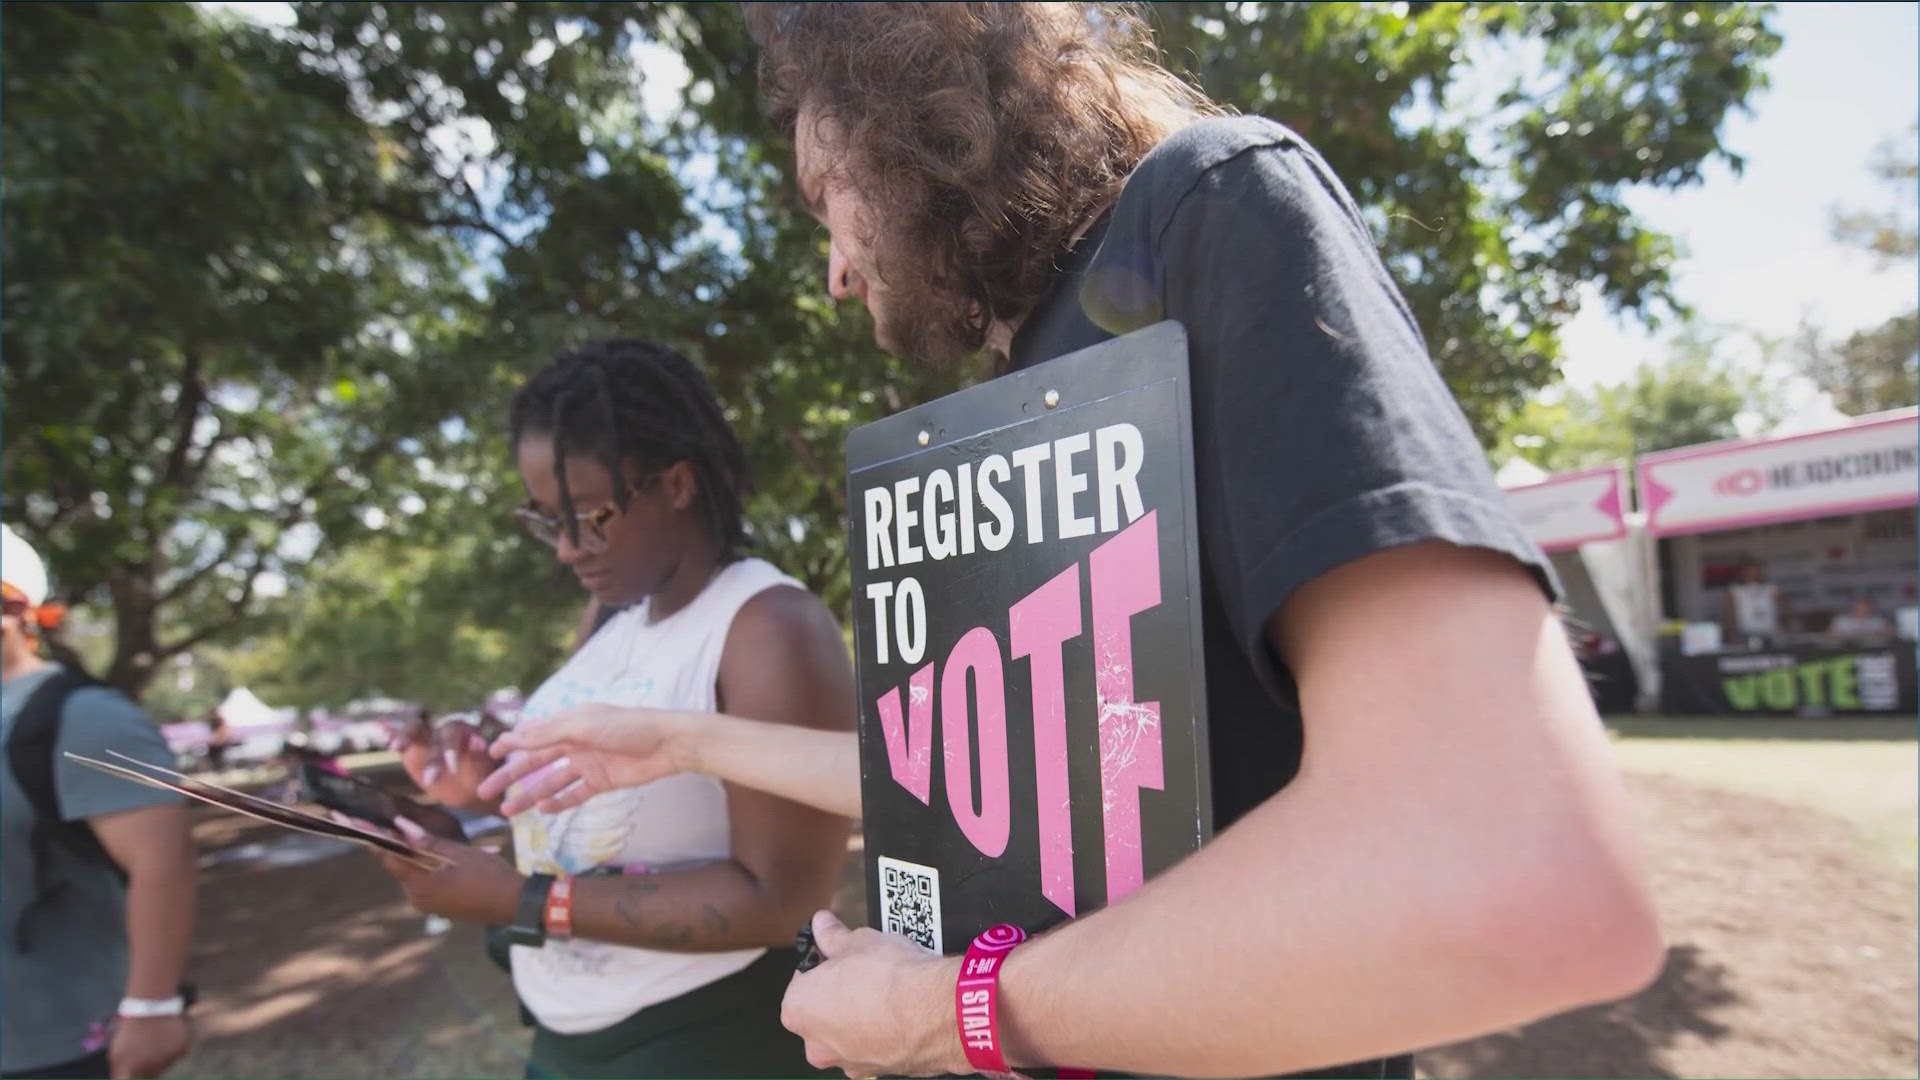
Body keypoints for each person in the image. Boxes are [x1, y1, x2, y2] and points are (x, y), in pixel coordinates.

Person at [490, 5, 1665, 1078]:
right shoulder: (1025, 395)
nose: (836, 272)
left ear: (906, 126)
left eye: (822, 203)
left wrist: (942, 1014)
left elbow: (1518, 869)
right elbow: (996, 780)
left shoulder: (1208, 208)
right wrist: (680, 741)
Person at [372, 338, 856, 1080]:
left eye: (588, 516)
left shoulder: (768, 626)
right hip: (565, 1039)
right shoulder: (612, 616)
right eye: (543, 520)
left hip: (705, 1041)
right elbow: (604, 824)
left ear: (678, 484)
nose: (565, 549)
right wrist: (473, 804)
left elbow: (780, 899)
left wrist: (521, 900)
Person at [1, 525, 198, 1080]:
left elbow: (165, 860)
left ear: (13, 606)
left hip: (58, 1046)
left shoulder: (85, 716)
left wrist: (152, 1006)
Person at [1723, 559, 1783, 648]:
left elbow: (1782, 610)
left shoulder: (1771, 589)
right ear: (1741, 572)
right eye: (1748, 570)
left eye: (1755, 570)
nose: (1751, 573)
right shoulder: (1735, 590)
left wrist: (1782, 628)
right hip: (1747, 634)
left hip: (1770, 632)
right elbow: (1730, 615)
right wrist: (1733, 635)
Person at [1828, 596, 1893, 643]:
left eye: (1865, 607)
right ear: (1853, 607)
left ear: (1870, 607)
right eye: (1859, 607)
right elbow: (1831, 636)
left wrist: (1885, 633)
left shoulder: (1878, 621)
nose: (1862, 609)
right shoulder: (1841, 620)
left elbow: (1890, 635)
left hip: (1871, 650)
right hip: (1846, 649)